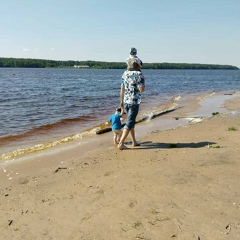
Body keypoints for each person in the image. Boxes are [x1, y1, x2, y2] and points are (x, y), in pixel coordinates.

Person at [118, 65, 145, 150]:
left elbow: (122, 88)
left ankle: (134, 141)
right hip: (134, 101)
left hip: (126, 101)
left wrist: (121, 102)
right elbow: (141, 90)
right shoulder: (139, 74)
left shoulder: (125, 73)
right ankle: (121, 143)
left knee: (131, 122)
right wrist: (141, 83)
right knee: (129, 122)